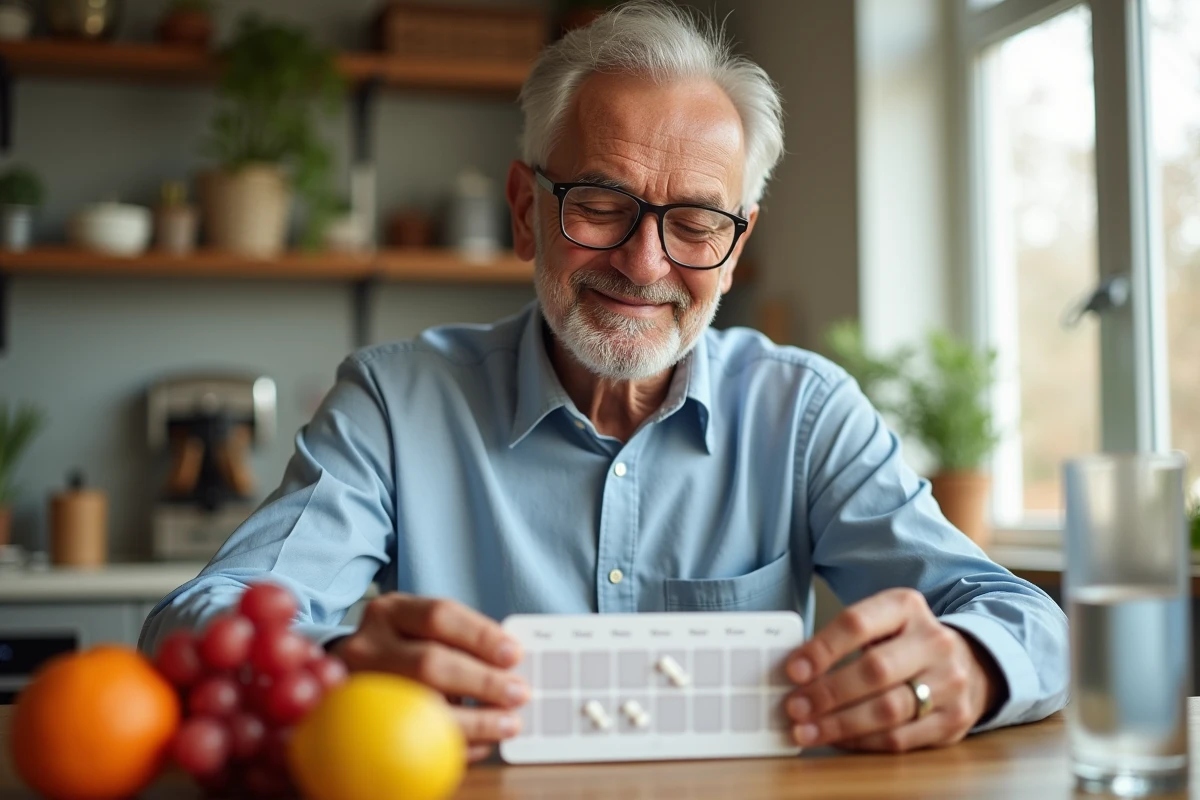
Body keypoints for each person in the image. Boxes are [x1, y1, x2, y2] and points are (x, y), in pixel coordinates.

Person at [141, 0, 1068, 762]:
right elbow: (197, 627)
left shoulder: (806, 412)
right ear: (523, 212)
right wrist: (335, 666)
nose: (644, 262)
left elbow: (1024, 619)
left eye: (697, 222)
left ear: (736, 246)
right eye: (599, 204)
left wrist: (972, 668)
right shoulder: (393, 403)